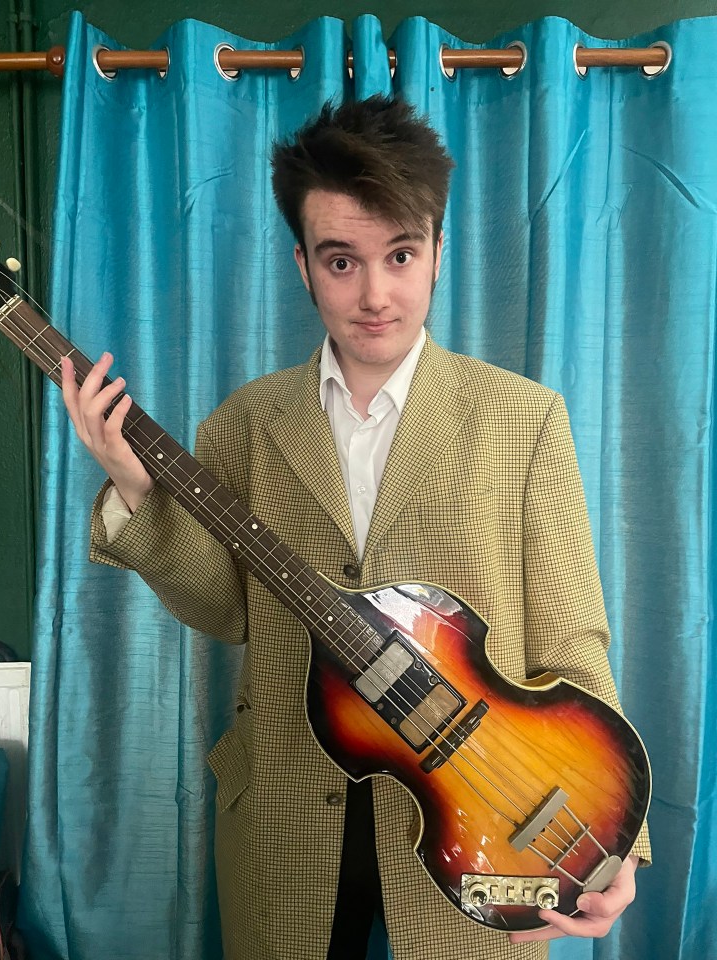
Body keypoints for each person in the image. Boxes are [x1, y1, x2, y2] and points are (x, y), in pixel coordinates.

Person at [61, 96, 649, 960]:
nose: (375, 294)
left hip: (492, 817)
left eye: (401, 255)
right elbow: (231, 609)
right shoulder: (248, 422)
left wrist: (617, 839)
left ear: (439, 254)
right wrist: (133, 487)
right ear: (302, 265)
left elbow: (573, 637)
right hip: (289, 816)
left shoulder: (524, 420)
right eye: (342, 261)